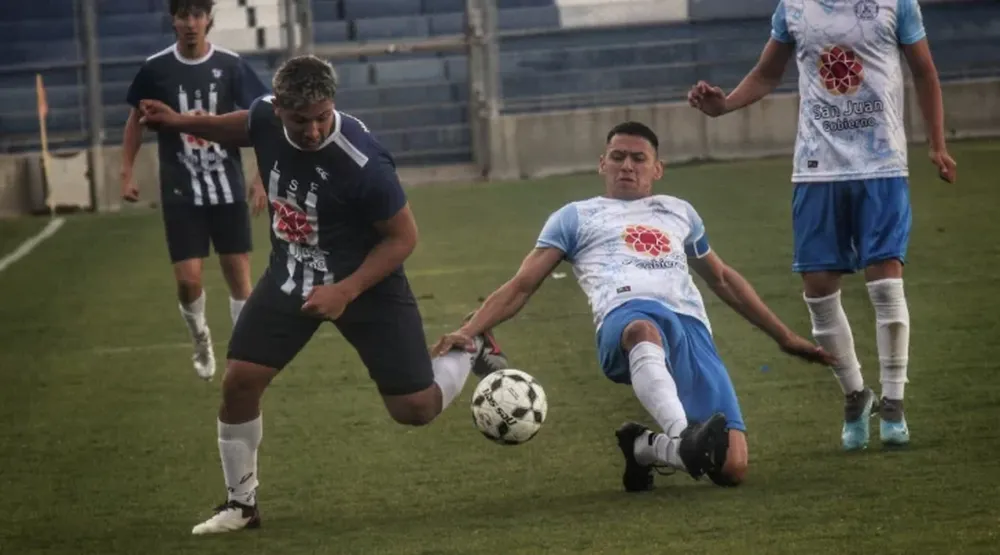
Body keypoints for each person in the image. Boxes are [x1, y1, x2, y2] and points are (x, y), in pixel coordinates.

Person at [137, 54, 509, 534]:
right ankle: (242, 505)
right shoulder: (264, 116)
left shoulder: (361, 162)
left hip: (365, 285)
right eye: (300, 121)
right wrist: (179, 121)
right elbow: (240, 126)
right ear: (279, 113)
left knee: (414, 410)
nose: (313, 130)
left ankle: (474, 344)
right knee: (240, 380)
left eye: (321, 117)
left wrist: (346, 290)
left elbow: (403, 238)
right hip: (291, 273)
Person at [432, 121, 835, 492]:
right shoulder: (575, 217)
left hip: (690, 328)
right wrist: (470, 331)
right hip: (624, 318)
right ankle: (682, 433)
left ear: (657, 168)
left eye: (638, 158)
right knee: (643, 328)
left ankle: (643, 447)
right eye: (618, 157)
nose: (627, 166)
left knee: (731, 468)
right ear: (602, 163)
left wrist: (785, 338)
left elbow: (723, 279)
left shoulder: (680, 212)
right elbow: (522, 285)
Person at [686, 0, 957, 450]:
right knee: (817, 288)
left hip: (881, 164)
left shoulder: (896, 4)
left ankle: (893, 402)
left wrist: (936, 144)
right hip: (817, 167)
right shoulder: (793, 8)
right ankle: (854, 394)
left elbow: (924, 71)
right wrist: (726, 104)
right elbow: (768, 73)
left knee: (886, 282)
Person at [122, 0, 270, 381]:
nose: (191, 23)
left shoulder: (231, 65)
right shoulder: (156, 68)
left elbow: (264, 119)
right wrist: (127, 173)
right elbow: (135, 122)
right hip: (181, 190)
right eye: (184, 15)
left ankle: (241, 359)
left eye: (198, 15)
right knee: (189, 281)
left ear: (209, 21)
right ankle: (200, 337)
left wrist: (261, 177)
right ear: (173, 20)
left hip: (227, 188)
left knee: (239, 278)